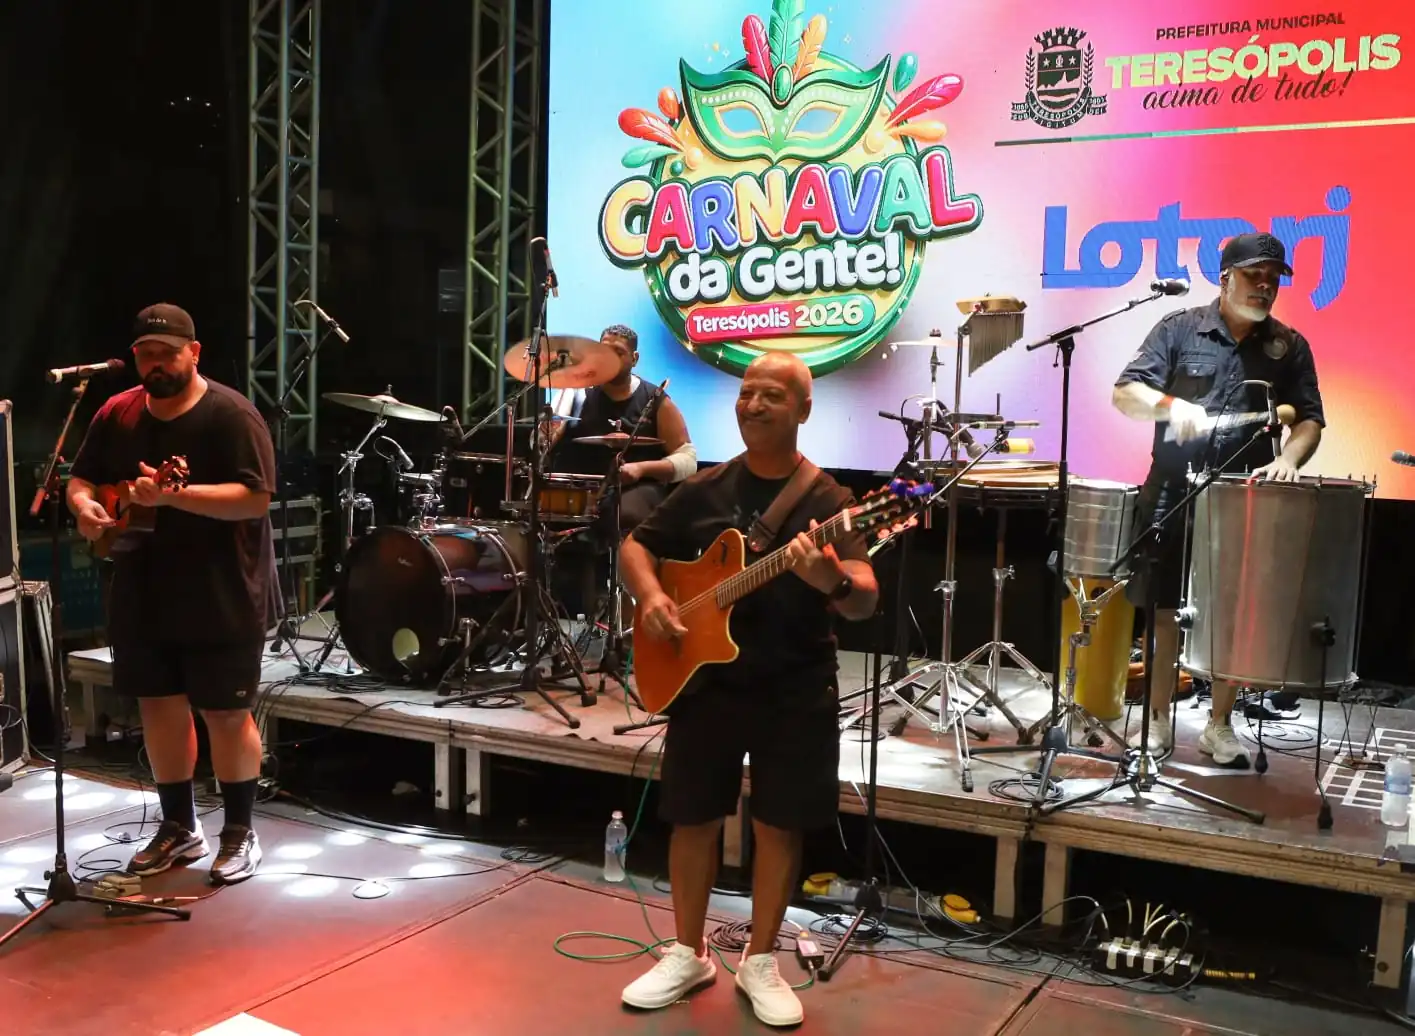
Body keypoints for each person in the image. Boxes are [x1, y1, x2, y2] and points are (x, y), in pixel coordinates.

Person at [616, 352, 879, 1027]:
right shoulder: (707, 487)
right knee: (692, 816)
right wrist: (651, 598)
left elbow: (863, 597)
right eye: (747, 393)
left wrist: (831, 581)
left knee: (779, 823)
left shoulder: (829, 502)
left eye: (771, 395)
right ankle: (687, 951)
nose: (753, 405)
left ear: (803, 409)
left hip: (795, 685)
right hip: (708, 683)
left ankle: (760, 960)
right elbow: (635, 548)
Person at [67, 303, 277, 884]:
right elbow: (82, 478)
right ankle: (179, 826)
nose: (156, 364)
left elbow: (255, 498)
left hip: (220, 589)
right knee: (158, 706)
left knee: (225, 713)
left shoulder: (231, 415)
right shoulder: (117, 411)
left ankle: (240, 831)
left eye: (167, 353)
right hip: (142, 586)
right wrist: (84, 507)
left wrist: (172, 498)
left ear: (194, 352)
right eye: (146, 355)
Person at [1112, 233, 1325, 766]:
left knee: (1234, 611)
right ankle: (1156, 719)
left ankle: (1220, 724)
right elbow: (1125, 393)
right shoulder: (1180, 328)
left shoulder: (1289, 346)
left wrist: (1288, 460)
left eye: (1273, 279)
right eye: (1255, 275)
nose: (1265, 286)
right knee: (1163, 609)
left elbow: (1309, 419)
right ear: (1225, 278)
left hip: (1245, 496)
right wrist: (1170, 406)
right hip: (1172, 488)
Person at [547, 324, 696, 534]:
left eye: (618, 352)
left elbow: (688, 459)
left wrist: (641, 469)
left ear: (634, 359)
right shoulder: (577, 393)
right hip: (583, 489)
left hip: (637, 489)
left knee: (625, 513)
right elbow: (543, 441)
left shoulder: (654, 400)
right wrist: (565, 394)